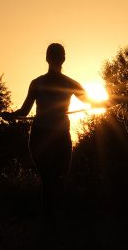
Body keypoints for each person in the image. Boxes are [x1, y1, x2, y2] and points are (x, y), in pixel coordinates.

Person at [6, 43, 88, 221]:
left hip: (45, 137)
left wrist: (11, 116)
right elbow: (92, 101)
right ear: (63, 59)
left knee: (51, 181)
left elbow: (23, 112)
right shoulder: (68, 83)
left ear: (47, 58)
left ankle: (50, 223)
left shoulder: (38, 83)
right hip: (51, 138)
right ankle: (52, 223)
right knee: (55, 181)